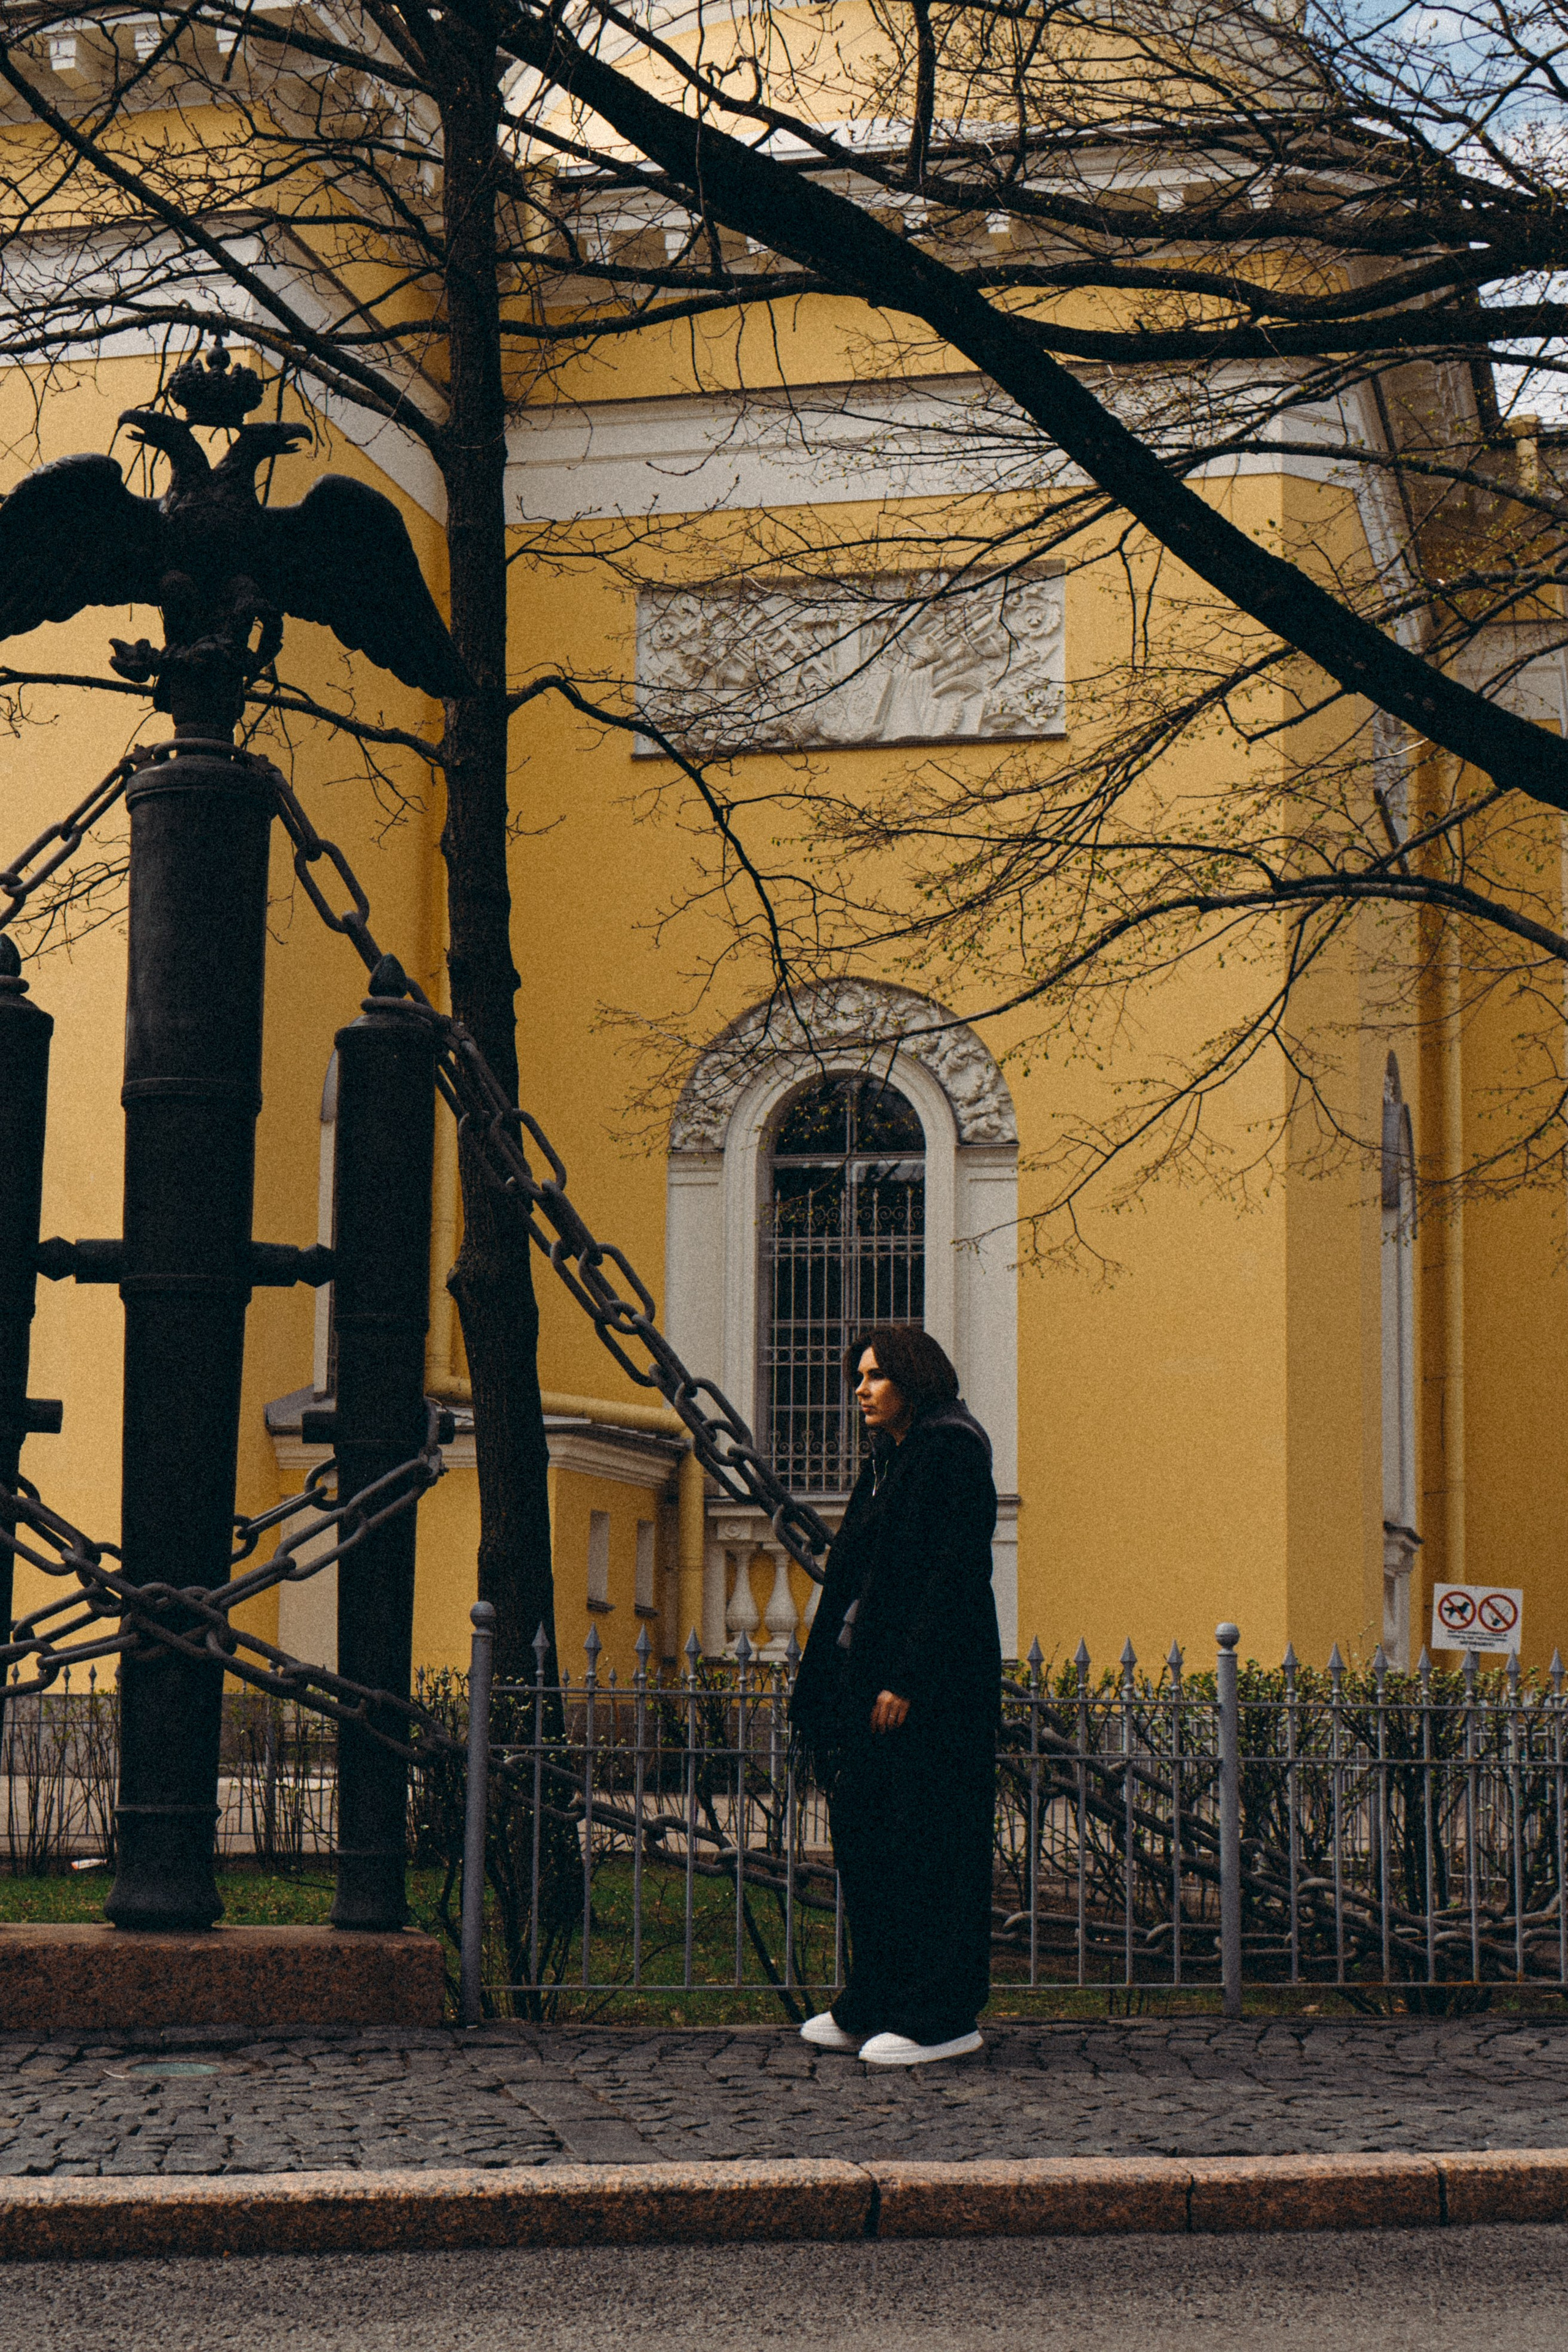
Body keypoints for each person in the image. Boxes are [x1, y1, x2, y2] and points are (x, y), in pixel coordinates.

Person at [789, 1325, 1001, 2067]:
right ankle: (874, 1999)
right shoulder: (889, 1461)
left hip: (930, 1699)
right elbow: (854, 1581)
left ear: (914, 1376)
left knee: (929, 1847)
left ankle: (940, 2016)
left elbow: (951, 1579)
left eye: (875, 1376)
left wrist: (906, 1679)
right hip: (867, 1686)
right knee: (871, 1846)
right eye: (858, 1377)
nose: (860, 1389)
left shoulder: (951, 1450)